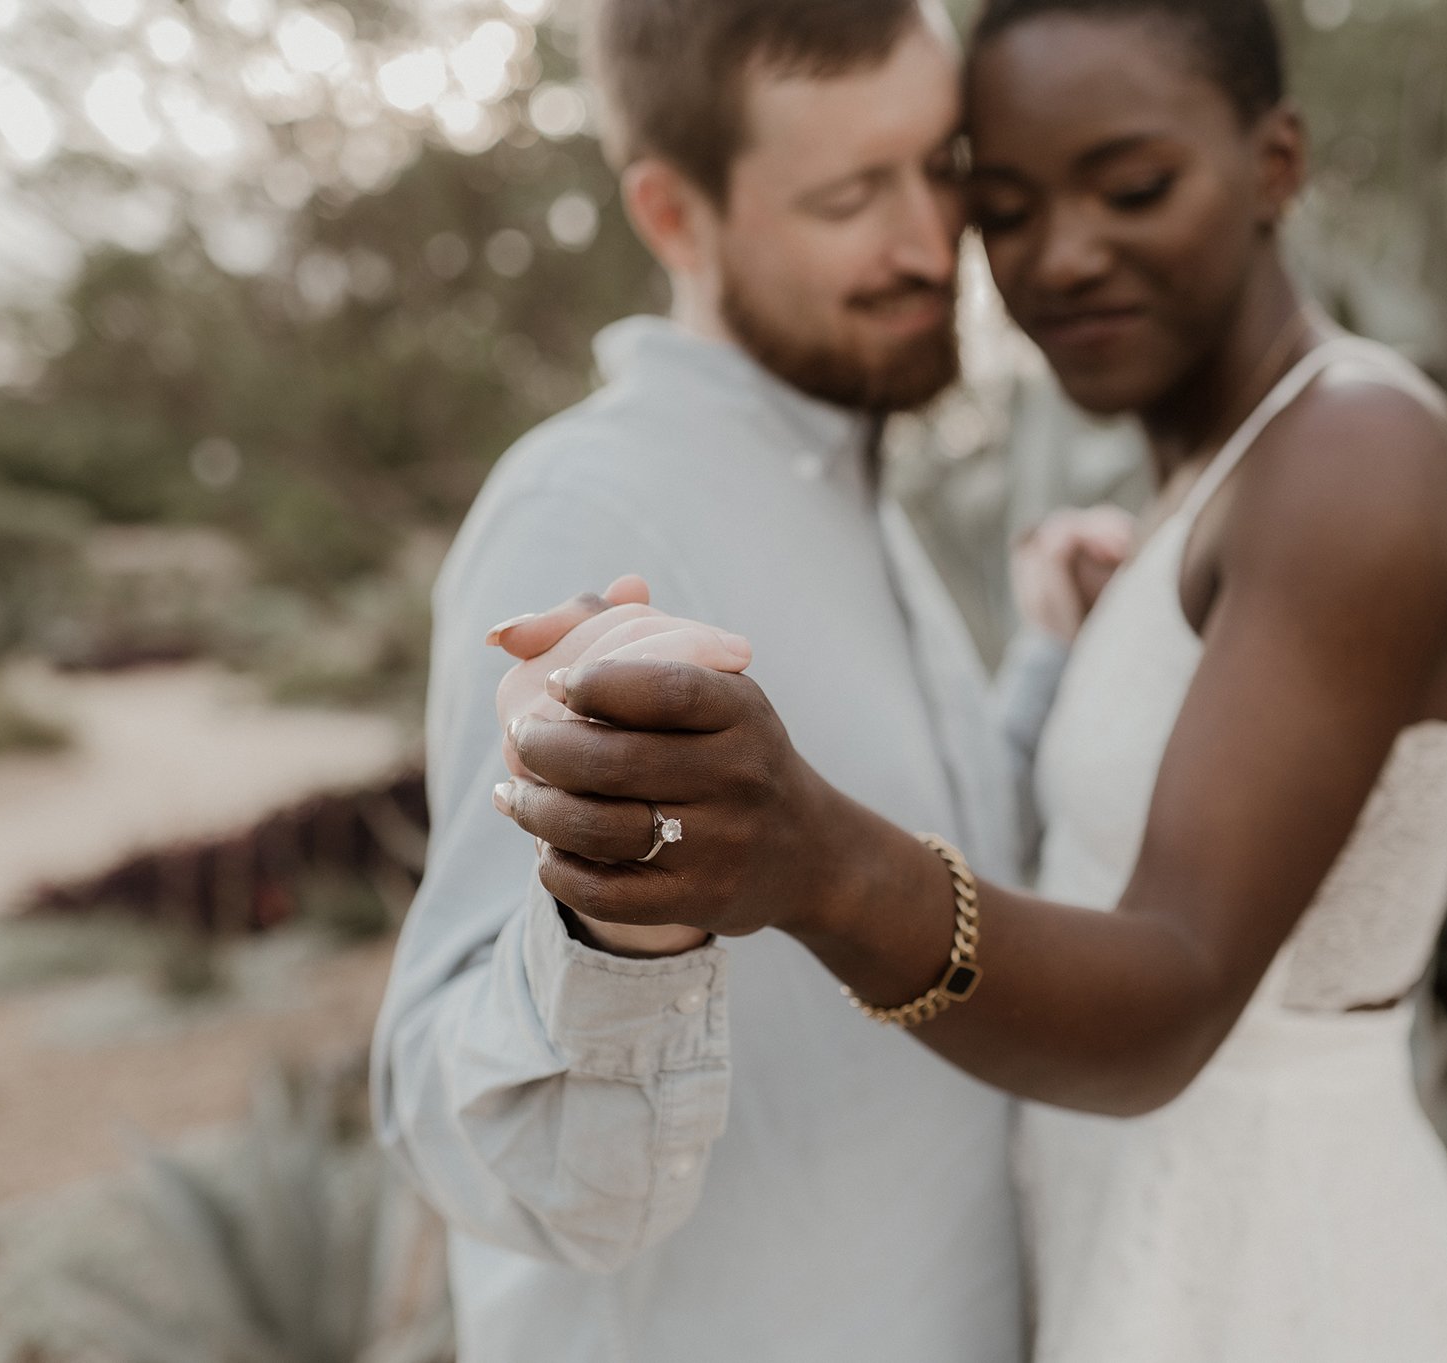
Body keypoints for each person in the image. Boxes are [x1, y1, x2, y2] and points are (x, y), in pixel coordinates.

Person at [491, 0, 1447, 1358]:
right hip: (1140, 1247)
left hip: (1277, 1274)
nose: (1064, 258)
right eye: (1010, 207)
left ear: (1275, 164)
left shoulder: (1357, 460)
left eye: (1134, 187)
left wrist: (816, 861)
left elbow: (1171, 995)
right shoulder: (1210, 486)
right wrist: (1073, 653)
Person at [368, 2, 1088, 1358]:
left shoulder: (851, 478)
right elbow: (456, 1127)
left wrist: (1049, 657)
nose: (932, 245)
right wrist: (618, 919)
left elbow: (929, 841)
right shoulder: (592, 511)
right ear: (673, 216)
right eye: (846, 196)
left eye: (940, 167)